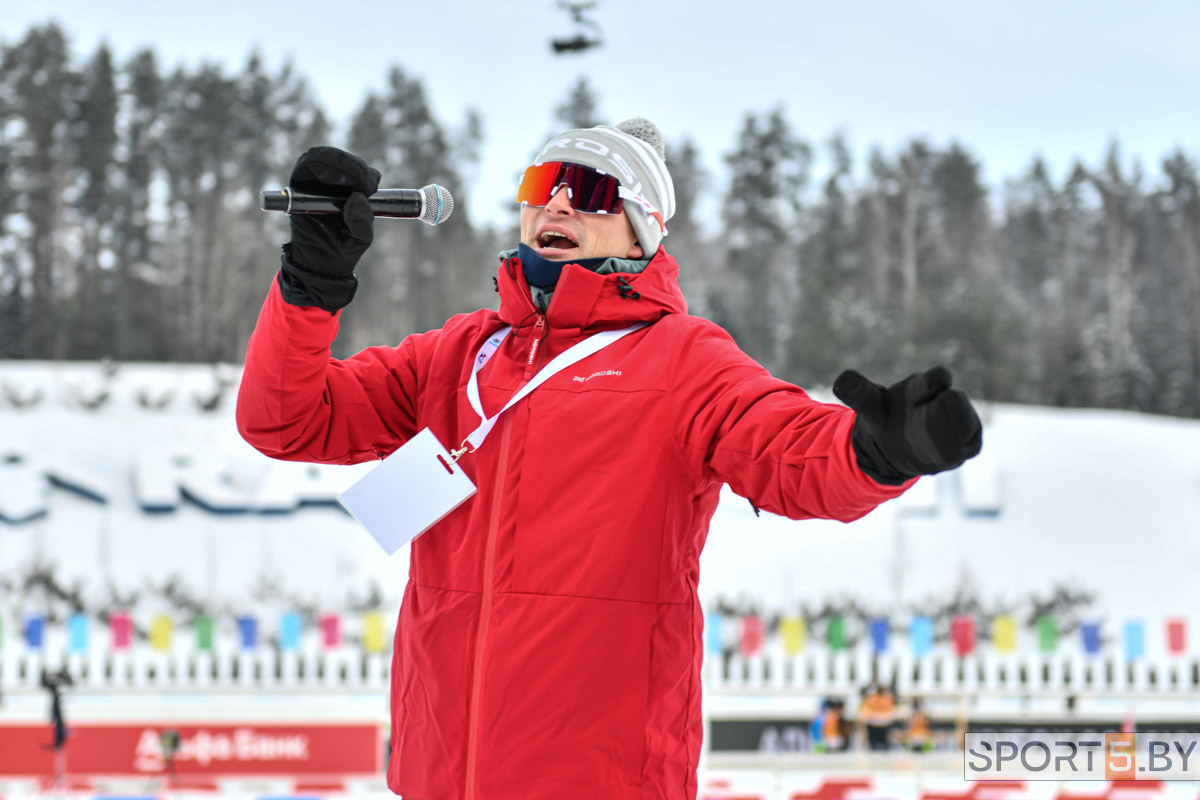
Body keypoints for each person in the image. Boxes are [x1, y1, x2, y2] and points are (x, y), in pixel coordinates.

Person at [236, 119, 982, 800]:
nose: (557, 203)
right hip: (437, 777)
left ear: (640, 226)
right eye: (541, 185)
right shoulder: (459, 354)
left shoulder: (683, 359)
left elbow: (788, 451)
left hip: (600, 780)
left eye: (590, 190)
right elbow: (285, 420)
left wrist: (875, 451)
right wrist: (311, 284)